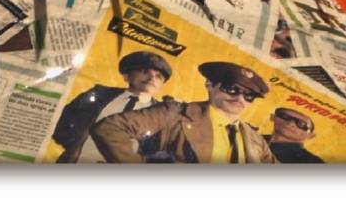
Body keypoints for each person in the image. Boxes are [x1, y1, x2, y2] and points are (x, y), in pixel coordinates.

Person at [91, 60, 276, 164]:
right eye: (232, 89)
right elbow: (109, 128)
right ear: (210, 85)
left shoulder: (256, 140)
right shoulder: (176, 112)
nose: (240, 99)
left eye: (249, 96)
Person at [50, 50, 173, 162]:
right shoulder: (100, 93)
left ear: (162, 84)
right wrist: (74, 145)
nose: (152, 78)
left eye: (159, 76)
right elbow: (64, 116)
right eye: (145, 71)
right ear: (127, 76)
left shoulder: (161, 113)